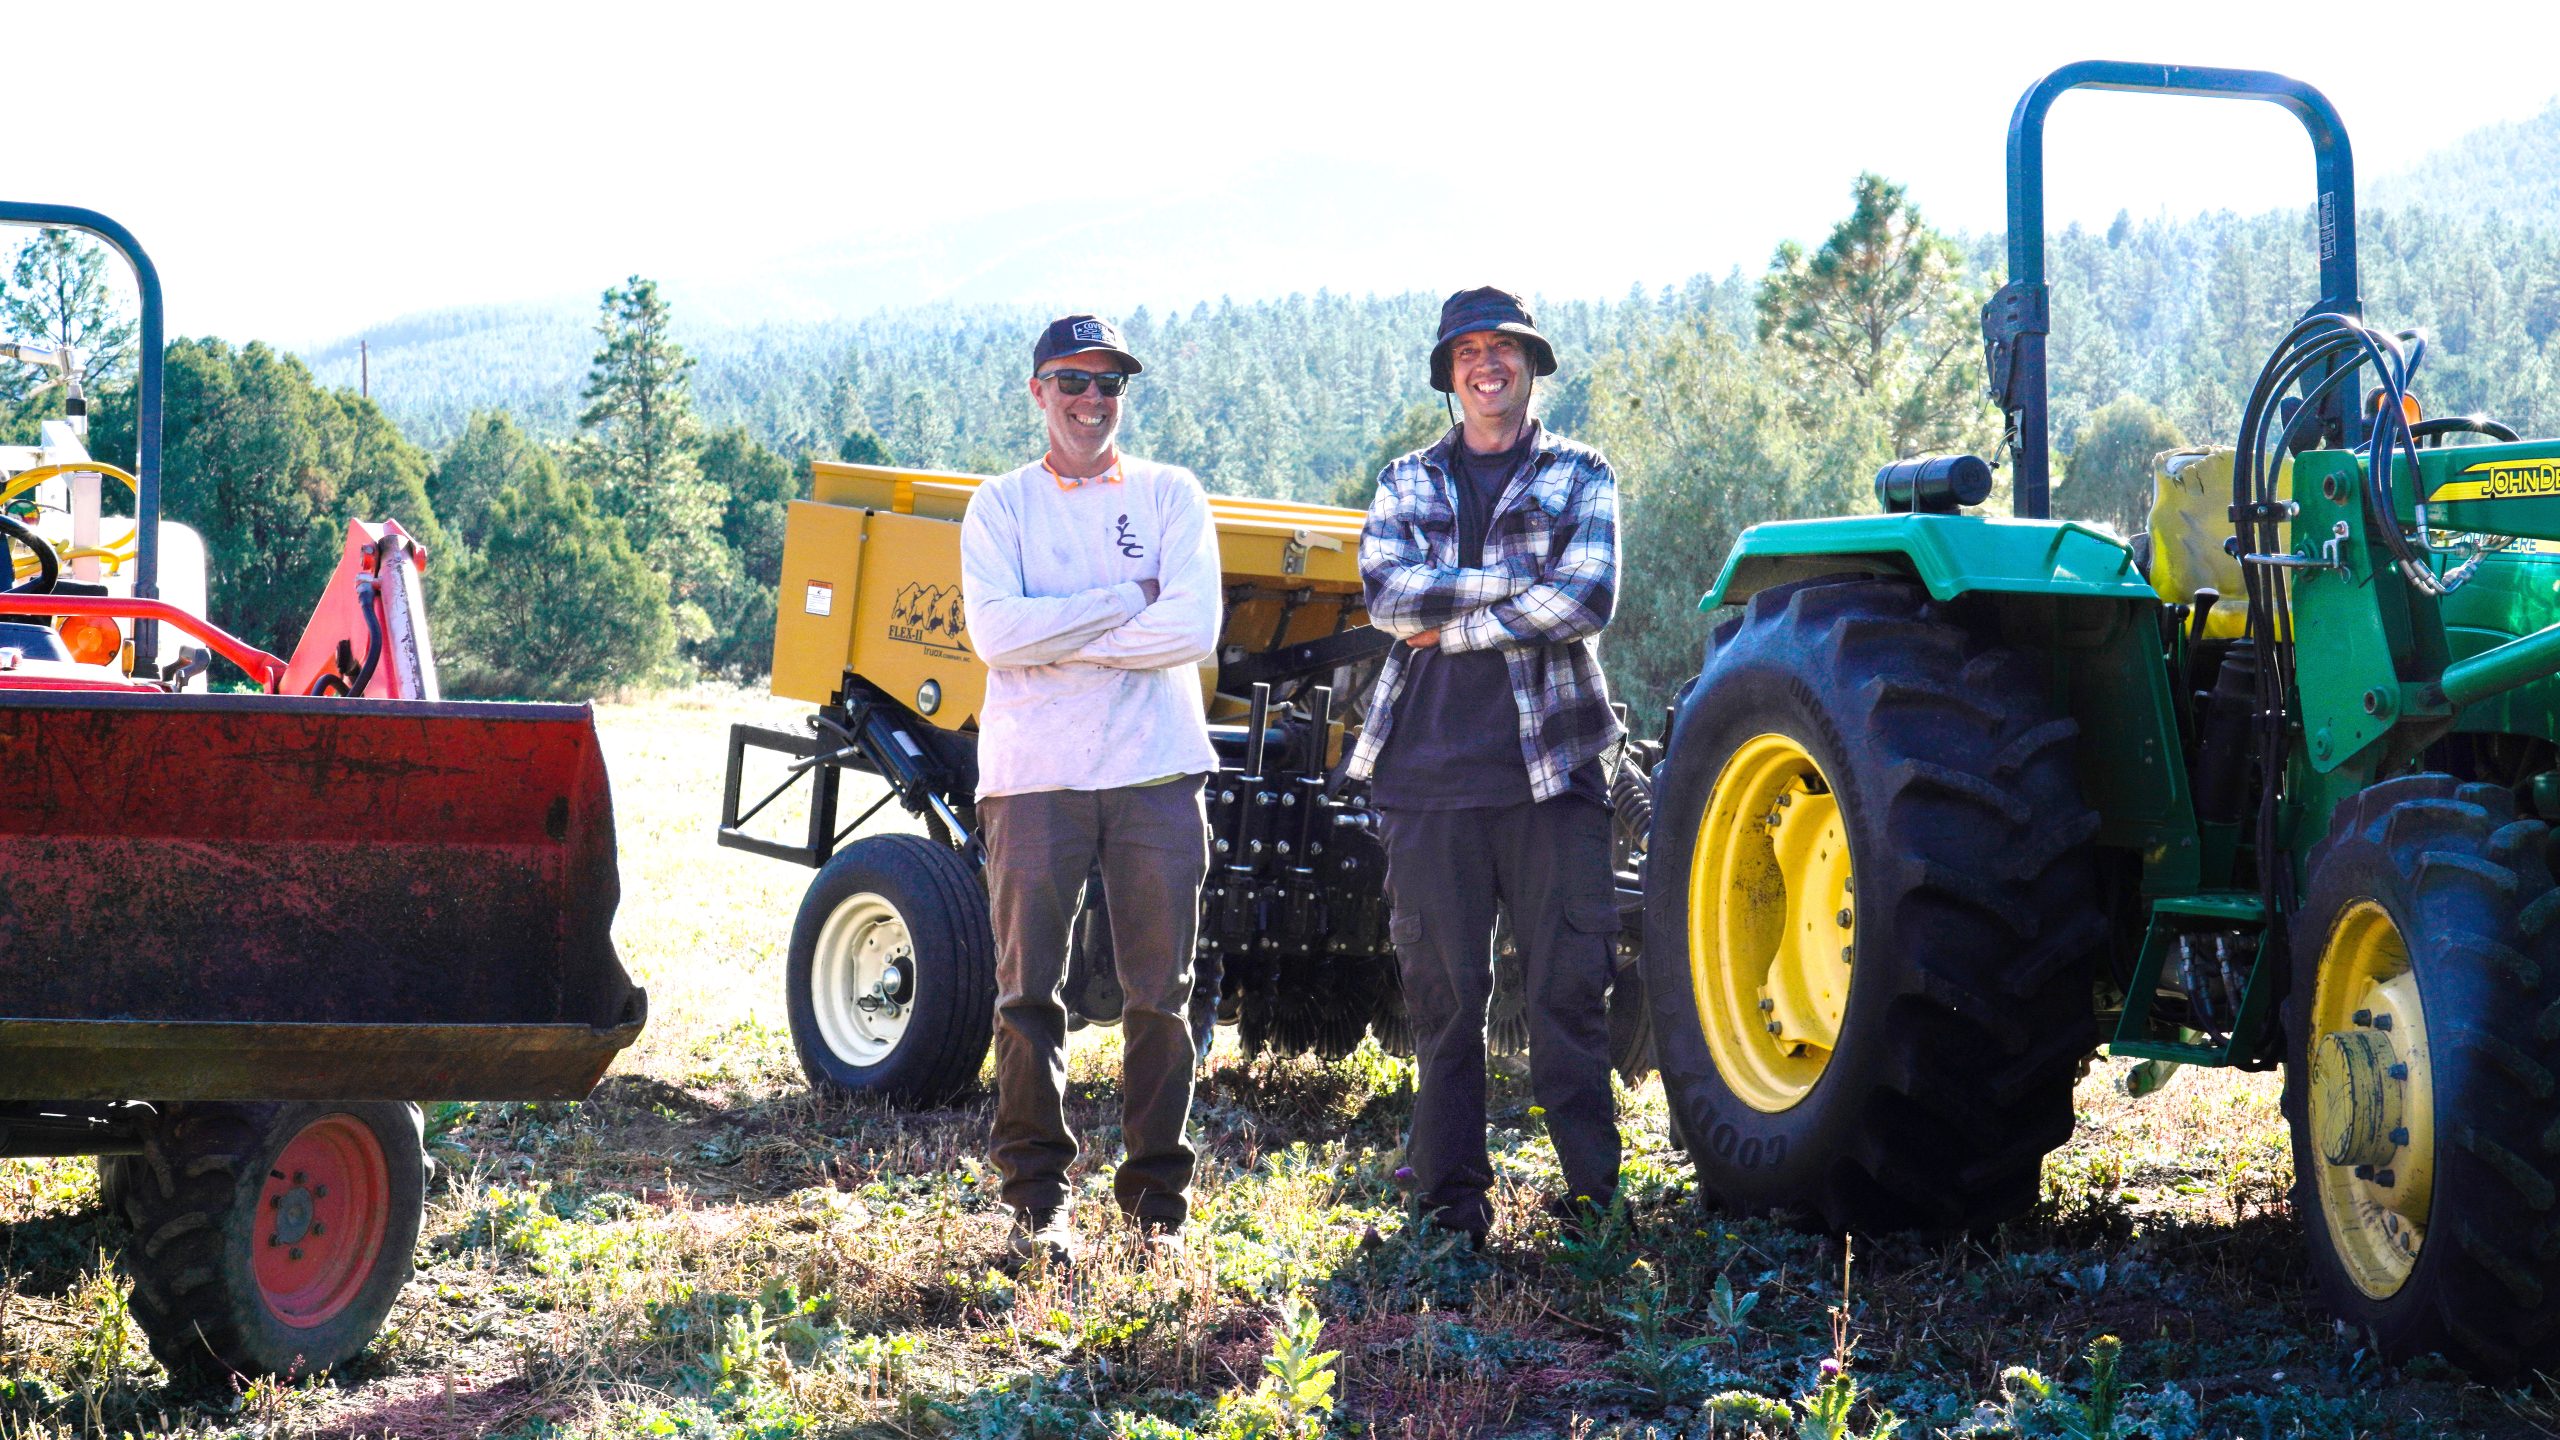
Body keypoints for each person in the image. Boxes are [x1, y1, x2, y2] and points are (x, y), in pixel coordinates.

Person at [1346, 285, 1625, 1246]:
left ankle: (1593, 1209)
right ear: (1449, 374)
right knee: (1446, 1004)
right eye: (1466, 352)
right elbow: (1386, 593)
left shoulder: (1585, 472)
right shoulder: (1403, 479)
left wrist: (1450, 621)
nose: (1484, 365)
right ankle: (1449, 1212)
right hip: (1423, 777)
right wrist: (1515, 591)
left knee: (1568, 996)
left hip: (1553, 774)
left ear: (1530, 363)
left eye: (1501, 348)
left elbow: (1586, 600)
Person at [960, 314, 1223, 1265]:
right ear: (1037, 391)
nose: (1091, 400)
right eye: (1071, 380)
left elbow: (1192, 628)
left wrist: (1056, 636)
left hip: (1155, 770)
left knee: (1164, 994)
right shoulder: (999, 507)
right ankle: (1036, 1202)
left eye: (1109, 383)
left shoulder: (1170, 494)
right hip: (1034, 780)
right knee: (1029, 993)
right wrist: (1126, 601)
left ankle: (1157, 1204)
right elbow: (997, 638)